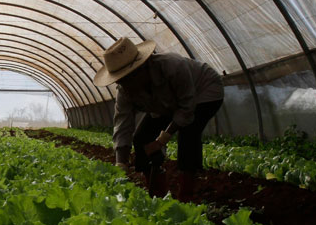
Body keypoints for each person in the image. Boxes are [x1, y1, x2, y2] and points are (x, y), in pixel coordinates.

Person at [93, 37, 225, 196]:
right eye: (120, 80)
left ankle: (186, 194)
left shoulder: (173, 66)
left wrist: (161, 140)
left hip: (203, 92)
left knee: (188, 134)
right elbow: (123, 124)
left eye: (127, 77)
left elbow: (186, 108)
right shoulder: (125, 89)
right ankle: (155, 190)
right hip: (167, 104)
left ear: (141, 68)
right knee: (141, 138)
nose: (123, 84)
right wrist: (120, 163)